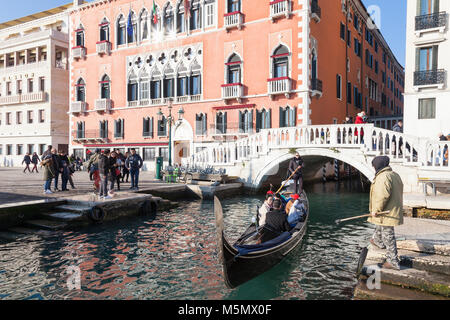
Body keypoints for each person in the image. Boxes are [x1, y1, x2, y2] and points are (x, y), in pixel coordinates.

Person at [368, 156, 404, 270]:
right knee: (380, 226)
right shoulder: (394, 174)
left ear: (378, 166)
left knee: (388, 236)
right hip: (392, 209)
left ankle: (393, 261)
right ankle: (378, 241)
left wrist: (376, 210)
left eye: (374, 166)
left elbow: (382, 195)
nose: (373, 168)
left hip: (386, 212)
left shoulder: (383, 177)